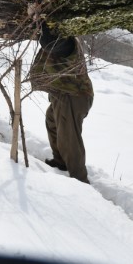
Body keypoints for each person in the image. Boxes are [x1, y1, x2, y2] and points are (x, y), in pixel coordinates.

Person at [28, 13, 94, 183]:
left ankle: (79, 179)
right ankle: (61, 162)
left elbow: (48, 42)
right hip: (63, 94)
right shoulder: (62, 38)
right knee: (52, 122)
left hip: (73, 96)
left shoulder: (66, 43)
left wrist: (42, 21)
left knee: (69, 137)